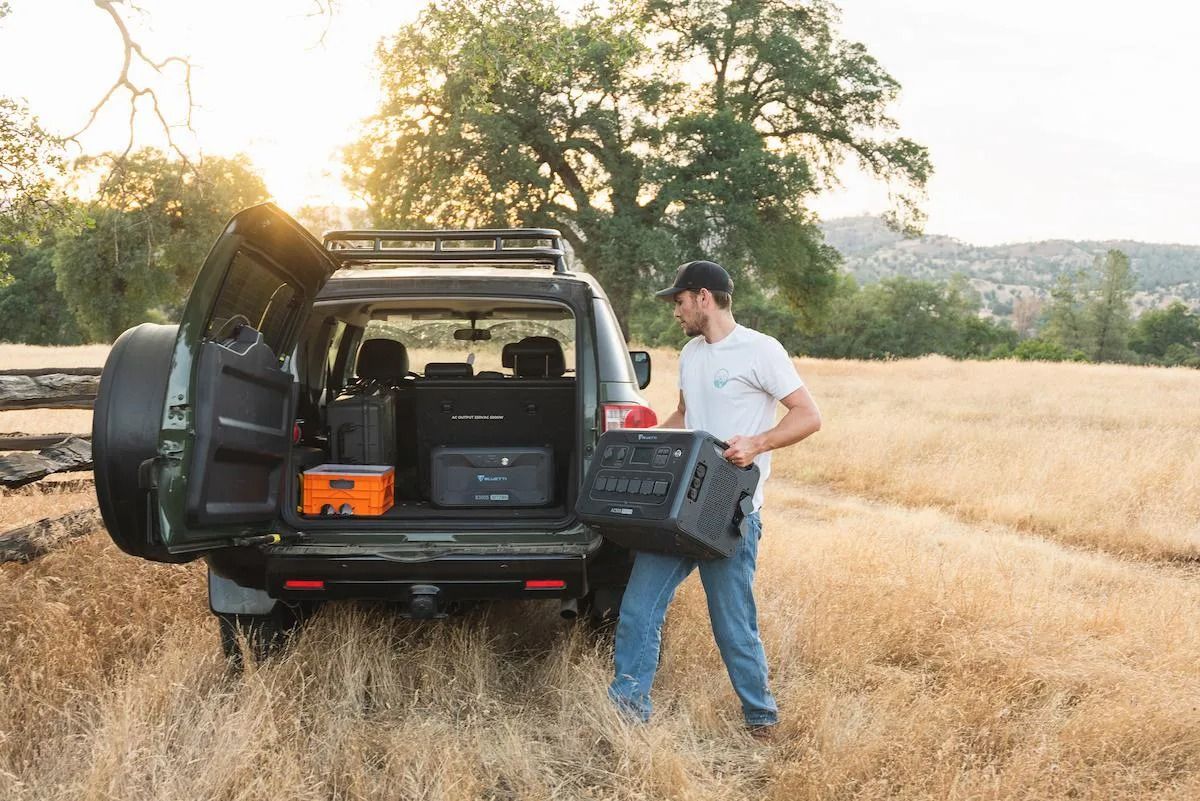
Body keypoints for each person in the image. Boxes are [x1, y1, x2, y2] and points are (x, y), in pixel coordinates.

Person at [607, 259, 822, 739]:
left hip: (729, 515)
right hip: (677, 509)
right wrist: (634, 446)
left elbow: (808, 415)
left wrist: (758, 443)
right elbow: (685, 414)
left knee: (732, 625)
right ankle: (627, 714)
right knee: (639, 609)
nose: (675, 312)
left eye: (679, 302)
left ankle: (761, 718)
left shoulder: (760, 351)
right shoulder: (690, 353)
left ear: (704, 297)